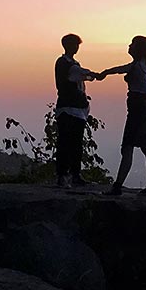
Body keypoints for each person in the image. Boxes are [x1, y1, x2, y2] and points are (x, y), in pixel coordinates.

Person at [98, 36, 146, 196]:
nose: (129, 46)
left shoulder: (137, 66)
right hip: (141, 110)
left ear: (139, 49)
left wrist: (104, 73)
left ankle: (118, 186)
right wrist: (106, 72)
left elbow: (121, 69)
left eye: (133, 44)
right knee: (145, 147)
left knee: (129, 147)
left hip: (137, 111)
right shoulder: (141, 66)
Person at [54, 33, 101, 187]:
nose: (76, 48)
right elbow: (78, 73)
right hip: (67, 108)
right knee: (65, 143)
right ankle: (63, 175)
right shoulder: (63, 63)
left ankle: (75, 175)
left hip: (77, 109)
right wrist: (94, 74)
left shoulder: (72, 63)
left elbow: (80, 76)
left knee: (76, 143)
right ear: (68, 45)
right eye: (75, 45)